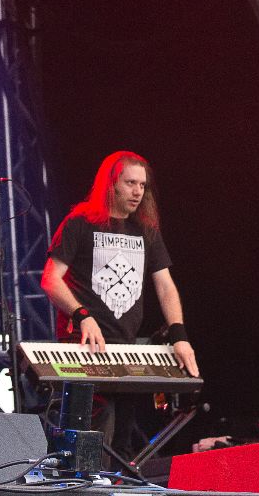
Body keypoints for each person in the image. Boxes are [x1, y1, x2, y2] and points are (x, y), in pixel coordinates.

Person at [41, 151, 199, 454]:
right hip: (83, 347)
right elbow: (50, 279)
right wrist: (82, 314)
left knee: (123, 443)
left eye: (142, 185)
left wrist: (179, 336)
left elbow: (165, 286)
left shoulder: (145, 231)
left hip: (124, 349)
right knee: (94, 436)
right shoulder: (81, 222)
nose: (138, 192)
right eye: (130, 183)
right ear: (111, 184)